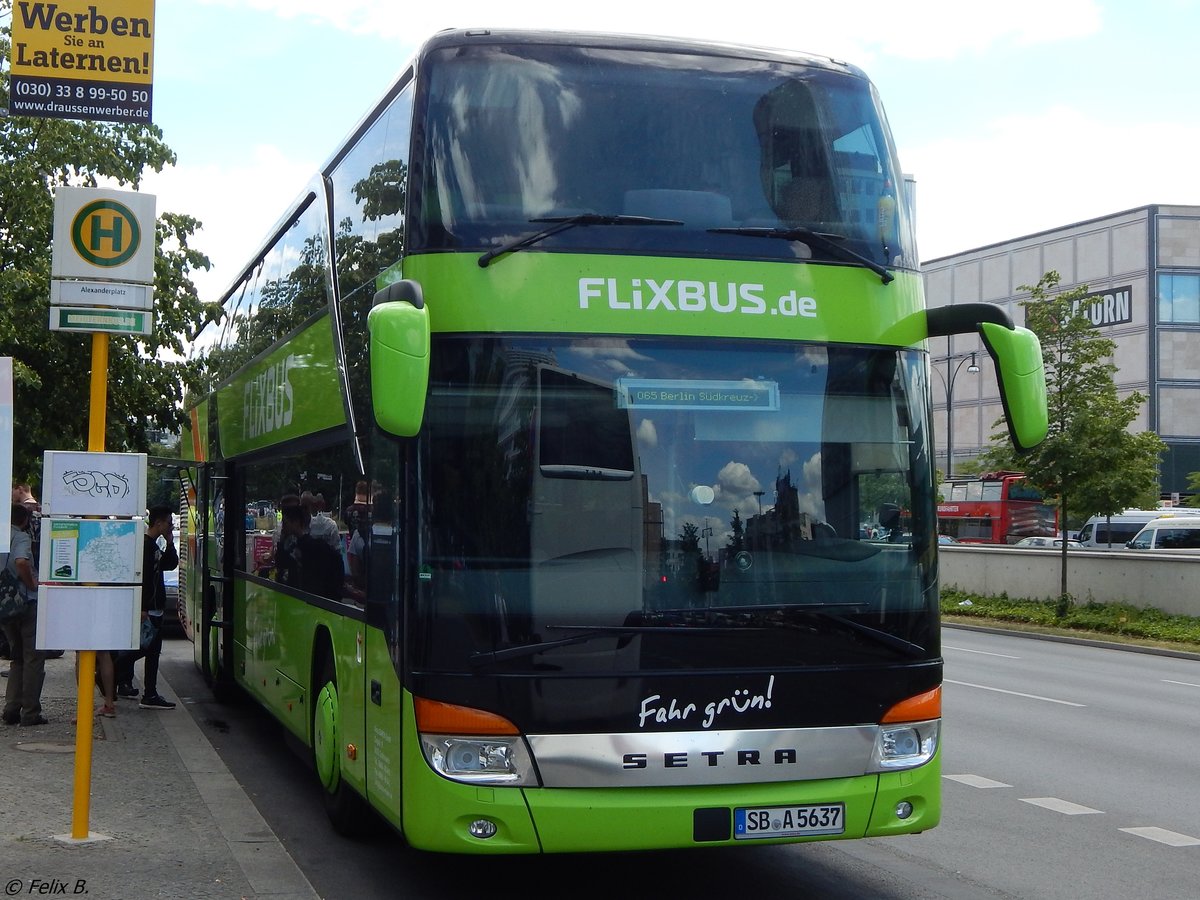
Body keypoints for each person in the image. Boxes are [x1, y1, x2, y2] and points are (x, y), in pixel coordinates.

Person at [116, 505, 178, 710]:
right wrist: (142, 606)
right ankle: (112, 674)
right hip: (149, 608)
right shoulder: (145, 546)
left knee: (151, 651)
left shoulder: (153, 545)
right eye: (169, 523)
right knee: (144, 648)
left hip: (154, 606)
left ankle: (149, 692)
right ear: (158, 523)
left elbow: (169, 565)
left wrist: (170, 543)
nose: (171, 526)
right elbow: (141, 579)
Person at [2, 504, 47, 726]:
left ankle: (11, 707)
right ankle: (30, 712)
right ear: (24, 520)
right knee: (33, 657)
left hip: (4, 606)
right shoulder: (20, 536)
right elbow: (21, 561)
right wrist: (32, 584)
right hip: (25, 602)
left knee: (16, 657)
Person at [275, 504, 344, 601]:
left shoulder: (313, 546)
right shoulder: (290, 544)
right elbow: (280, 564)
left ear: (296, 522)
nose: (283, 527)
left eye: (285, 523)